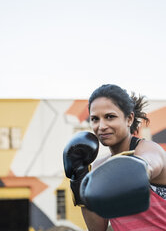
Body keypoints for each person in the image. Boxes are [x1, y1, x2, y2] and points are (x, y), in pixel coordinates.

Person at [63, 84, 166, 231]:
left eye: (110, 117)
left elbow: (149, 163)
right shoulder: (99, 166)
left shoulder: (148, 150)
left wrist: (140, 166)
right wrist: (78, 177)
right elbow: (98, 228)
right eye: (95, 119)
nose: (101, 126)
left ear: (129, 118)